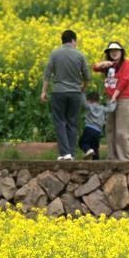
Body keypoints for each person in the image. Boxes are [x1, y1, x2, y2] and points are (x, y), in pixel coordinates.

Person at [39, 29, 90, 161]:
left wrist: (44, 91)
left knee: (60, 122)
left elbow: (47, 74)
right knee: (72, 122)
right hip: (75, 93)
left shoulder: (54, 53)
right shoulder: (80, 55)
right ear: (73, 40)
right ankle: (71, 154)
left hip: (58, 92)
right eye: (76, 41)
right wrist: (83, 88)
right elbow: (87, 76)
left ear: (62, 40)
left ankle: (65, 153)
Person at [93, 41, 129, 161]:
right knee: (110, 129)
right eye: (111, 51)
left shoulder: (126, 63)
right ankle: (112, 157)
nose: (114, 53)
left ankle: (125, 159)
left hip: (122, 99)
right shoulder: (110, 65)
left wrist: (114, 96)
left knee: (122, 131)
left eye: (116, 50)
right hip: (110, 99)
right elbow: (95, 68)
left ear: (121, 52)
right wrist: (103, 63)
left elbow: (124, 81)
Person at [78, 90, 116, 160]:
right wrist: (112, 100)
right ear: (99, 101)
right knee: (95, 147)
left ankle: (88, 150)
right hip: (98, 131)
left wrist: (82, 92)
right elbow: (111, 109)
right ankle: (96, 161)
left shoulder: (89, 106)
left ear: (89, 100)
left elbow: (83, 102)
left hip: (89, 129)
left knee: (82, 143)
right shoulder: (102, 108)